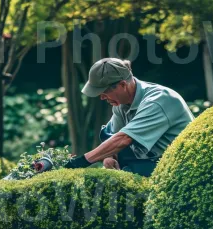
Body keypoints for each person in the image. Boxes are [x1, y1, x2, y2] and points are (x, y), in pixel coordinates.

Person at [64, 58, 194, 176]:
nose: (102, 97)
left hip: (182, 168)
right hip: (153, 163)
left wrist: (78, 163)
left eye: (104, 92)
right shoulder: (121, 104)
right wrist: (110, 157)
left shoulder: (158, 100)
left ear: (122, 85)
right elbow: (113, 137)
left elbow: (124, 139)